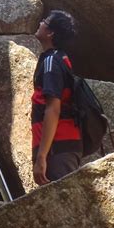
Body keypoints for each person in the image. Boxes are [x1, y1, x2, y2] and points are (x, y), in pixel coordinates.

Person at [31, 10, 82, 185]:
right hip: (60, 148)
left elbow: (53, 109)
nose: (40, 23)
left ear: (50, 33)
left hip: (57, 150)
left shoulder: (52, 61)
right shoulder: (58, 58)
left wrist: (42, 156)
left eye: (45, 21)